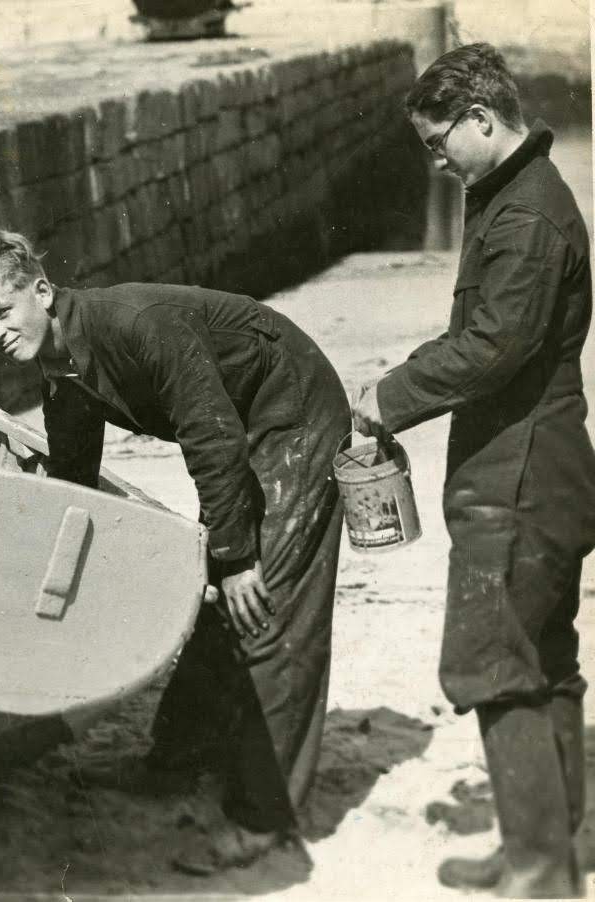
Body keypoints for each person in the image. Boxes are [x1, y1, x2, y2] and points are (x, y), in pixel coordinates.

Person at [0, 229, 350, 864]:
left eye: (0, 313)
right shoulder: (59, 366)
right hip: (240, 426)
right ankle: (176, 763)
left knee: (264, 606)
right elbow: (75, 478)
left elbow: (211, 440)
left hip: (293, 411)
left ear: (41, 292)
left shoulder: (138, 325)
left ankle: (264, 817)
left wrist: (237, 559)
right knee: (213, 598)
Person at [351, 43, 595, 897]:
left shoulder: (524, 215)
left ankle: (539, 875)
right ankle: (552, 849)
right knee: (544, 663)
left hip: (520, 480)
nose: (436, 160)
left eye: (438, 141)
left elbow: (494, 346)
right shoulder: (522, 196)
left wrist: (390, 396)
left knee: (494, 663)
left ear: (483, 121)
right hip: (546, 469)